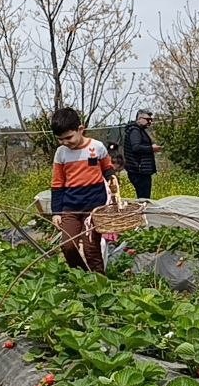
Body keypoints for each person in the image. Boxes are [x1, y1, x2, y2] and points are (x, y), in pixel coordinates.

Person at [50, 107, 119, 273]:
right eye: (60, 139)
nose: (65, 142)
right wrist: (56, 212)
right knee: (68, 245)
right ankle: (81, 275)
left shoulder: (97, 147)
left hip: (94, 207)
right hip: (71, 207)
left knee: (91, 247)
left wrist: (112, 179)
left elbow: (107, 168)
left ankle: (99, 281)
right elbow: (57, 183)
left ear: (80, 129)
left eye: (69, 137)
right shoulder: (61, 153)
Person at [123, 108, 161, 199]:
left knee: (144, 196)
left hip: (141, 170)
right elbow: (136, 147)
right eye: (148, 119)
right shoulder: (135, 131)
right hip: (139, 171)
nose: (150, 122)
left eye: (151, 120)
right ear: (139, 119)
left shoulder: (139, 130)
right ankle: (143, 212)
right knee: (143, 197)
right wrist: (151, 148)